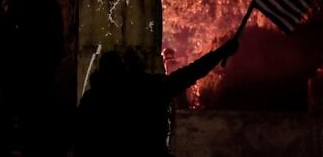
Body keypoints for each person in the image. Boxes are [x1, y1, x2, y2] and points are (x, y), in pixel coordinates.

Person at [74, 39, 239, 157]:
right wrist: (221, 52)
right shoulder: (150, 87)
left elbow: (80, 139)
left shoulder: (93, 98)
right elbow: (191, 73)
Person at [4, 0, 64, 156]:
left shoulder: (20, 3)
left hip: (26, 68)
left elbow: (12, 35)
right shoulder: (51, 2)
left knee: (29, 113)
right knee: (46, 108)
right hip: (48, 66)